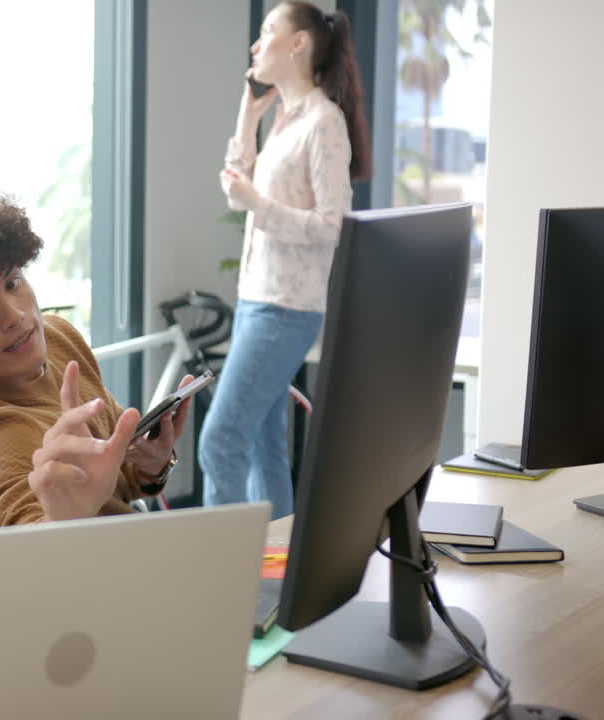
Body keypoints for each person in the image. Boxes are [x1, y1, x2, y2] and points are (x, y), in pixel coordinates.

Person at [0, 193, 193, 528]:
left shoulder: (58, 338)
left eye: (12, 283)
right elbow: (23, 557)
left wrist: (152, 464)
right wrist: (64, 517)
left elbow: (117, 477)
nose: (14, 315)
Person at [200, 1, 372, 520]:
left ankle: (223, 580)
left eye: (267, 31)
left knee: (220, 441)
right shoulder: (283, 119)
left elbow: (333, 225)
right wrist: (247, 118)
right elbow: (237, 193)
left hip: (286, 309)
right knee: (262, 447)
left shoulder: (323, 123)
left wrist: (260, 204)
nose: (256, 44)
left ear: (298, 44)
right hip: (259, 300)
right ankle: (280, 582)